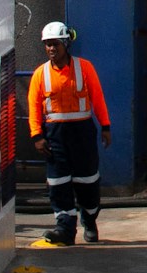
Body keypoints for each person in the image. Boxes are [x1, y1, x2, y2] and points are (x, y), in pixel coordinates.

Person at [29, 21, 109, 245]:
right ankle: (65, 229)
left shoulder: (85, 68)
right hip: (55, 136)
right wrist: (37, 136)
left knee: (87, 181)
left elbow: (98, 98)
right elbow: (34, 106)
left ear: (65, 44)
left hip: (82, 134)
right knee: (58, 183)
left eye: (55, 44)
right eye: (47, 45)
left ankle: (90, 218)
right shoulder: (40, 74)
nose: (51, 49)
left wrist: (106, 126)